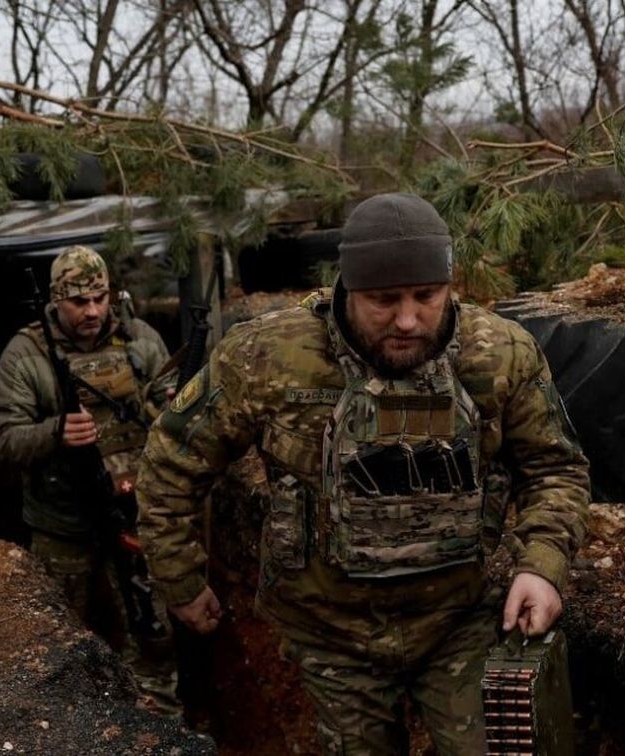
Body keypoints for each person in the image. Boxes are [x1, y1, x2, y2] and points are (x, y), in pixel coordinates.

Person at [135, 193, 590, 753]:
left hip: (458, 621)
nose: (407, 319)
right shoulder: (266, 357)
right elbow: (172, 461)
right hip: (330, 635)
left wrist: (542, 565)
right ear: (346, 289)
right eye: (383, 300)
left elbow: (555, 467)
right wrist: (179, 576)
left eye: (427, 297)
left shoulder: (501, 355)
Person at [0, 245, 181, 716]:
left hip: (135, 516)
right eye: (79, 302)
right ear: (56, 300)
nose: (92, 310)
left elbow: (174, 416)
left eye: (100, 297)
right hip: (64, 525)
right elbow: (0, 440)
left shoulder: (141, 341)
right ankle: (78, 726)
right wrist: (55, 432)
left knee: (152, 629)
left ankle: (159, 723)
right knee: (67, 635)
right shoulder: (27, 354)